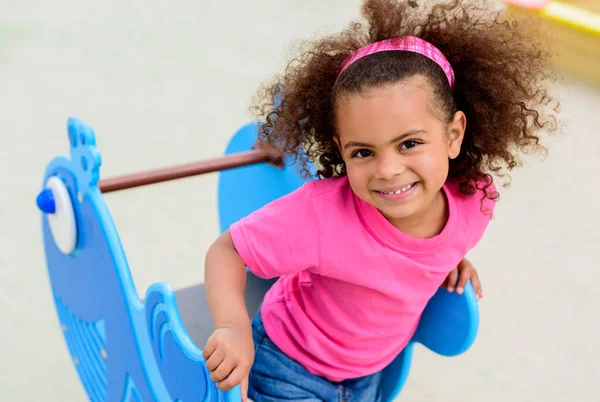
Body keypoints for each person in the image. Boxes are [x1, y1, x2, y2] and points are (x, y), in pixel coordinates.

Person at [202, 0, 560, 400]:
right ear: (341, 149)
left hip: (368, 374)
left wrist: (449, 257)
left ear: (454, 135)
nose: (387, 169)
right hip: (286, 364)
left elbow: (415, 251)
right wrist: (233, 328)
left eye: (409, 143)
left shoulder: (474, 201)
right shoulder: (322, 214)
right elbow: (228, 250)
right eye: (363, 152)